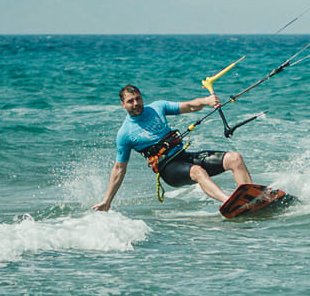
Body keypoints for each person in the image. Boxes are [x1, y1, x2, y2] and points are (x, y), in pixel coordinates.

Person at [92, 84, 253, 211]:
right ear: (122, 104)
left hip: (184, 157)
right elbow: (119, 169)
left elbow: (190, 106)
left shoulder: (157, 108)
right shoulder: (125, 133)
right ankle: (231, 203)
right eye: (130, 101)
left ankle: (252, 197)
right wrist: (107, 200)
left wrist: (206, 101)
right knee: (197, 171)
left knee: (235, 159)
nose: (136, 104)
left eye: (138, 99)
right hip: (168, 169)